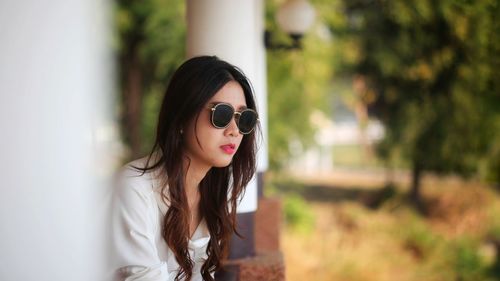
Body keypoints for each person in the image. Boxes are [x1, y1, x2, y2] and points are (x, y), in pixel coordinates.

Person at [111, 56, 260, 281]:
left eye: (243, 118)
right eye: (221, 114)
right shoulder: (134, 189)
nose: (234, 130)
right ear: (181, 117)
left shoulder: (213, 193)